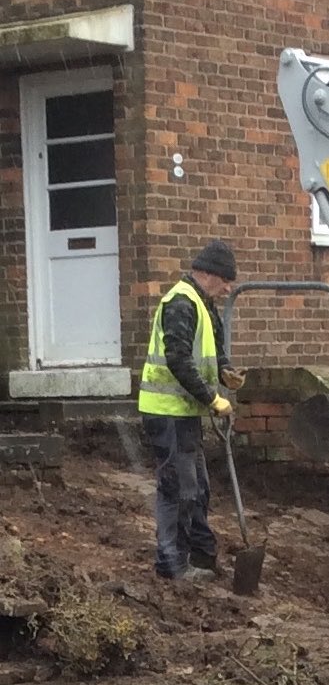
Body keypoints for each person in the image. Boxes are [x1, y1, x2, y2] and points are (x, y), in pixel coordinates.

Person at [138, 239, 245, 582]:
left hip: (185, 412)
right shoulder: (181, 303)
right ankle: (171, 566)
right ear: (207, 273)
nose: (229, 287)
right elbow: (178, 359)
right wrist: (213, 399)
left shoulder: (204, 303)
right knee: (177, 489)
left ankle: (202, 557)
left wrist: (226, 373)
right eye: (225, 279)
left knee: (198, 488)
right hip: (167, 412)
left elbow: (214, 350)